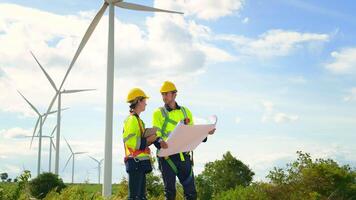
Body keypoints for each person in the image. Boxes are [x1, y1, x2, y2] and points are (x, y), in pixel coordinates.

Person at [152, 81, 215, 200]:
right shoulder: (158, 113)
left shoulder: (186, 112)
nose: (164, 97)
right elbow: (156, 133)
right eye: (162, 94)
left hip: (183, 157)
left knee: (191, 193)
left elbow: (192, 133)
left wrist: (206, 133)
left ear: (175, 94)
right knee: (170, 193)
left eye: (167, 94)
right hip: (167, 157)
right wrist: (160, 142)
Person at [123, 88, 157, 200]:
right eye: (144, 100)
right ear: (138, 101)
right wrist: (148, 140)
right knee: (135, 197)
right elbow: (132, 142)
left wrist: (154, 132)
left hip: (139, 163)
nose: (146, 103)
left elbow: (141, 138)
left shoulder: (138, 121)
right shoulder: (132, 120)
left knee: (141, 197)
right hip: (135, 162)